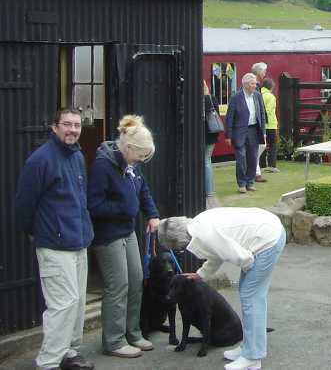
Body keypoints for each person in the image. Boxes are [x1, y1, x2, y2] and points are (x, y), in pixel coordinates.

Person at [14, 108, 95, 370]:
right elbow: (24, 206)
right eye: (67, 124)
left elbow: (80, 199)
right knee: (63, 304)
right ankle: (48, 362)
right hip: (54, 244)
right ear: (54, 127)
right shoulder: (40, 160)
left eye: (77, 125)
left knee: (78, 303)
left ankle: (69, 353)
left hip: (79, 241)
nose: (72, 130)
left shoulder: (77, 156)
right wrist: (39, 232)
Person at [157, 208, 286, 370]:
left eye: (176, 246)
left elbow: (243, 258)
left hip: (268, 240)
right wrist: (200, 274)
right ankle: (248, 348)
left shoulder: (206, 234)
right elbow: (217, 253)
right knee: (249, 295)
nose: (180, 248)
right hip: (268, 229)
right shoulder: (198, 225)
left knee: (251, 298)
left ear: (178, 240)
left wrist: (249, 275)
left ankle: (253, 357)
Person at [87, 115, 160, 358]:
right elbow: (93, 204)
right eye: (140, 155)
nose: (141, 160)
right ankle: (114, 340)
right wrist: (123, 209)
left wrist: (152, 214)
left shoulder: (132, 165)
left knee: (136, 280)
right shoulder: (102, 166)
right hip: (108, 235)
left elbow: (143, 189)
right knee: (117, 285)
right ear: (128, 147)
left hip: (127, 231)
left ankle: (133, 332)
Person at [225, 73, 267, 194]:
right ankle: (242, 184)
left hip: (254, 130)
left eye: (255, 83)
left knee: (253, 158)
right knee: (241, 158)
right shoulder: (235, 98)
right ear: (246, 85)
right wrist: (228, 135)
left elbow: (262, 114)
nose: (255, 85)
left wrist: (263, 131)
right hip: (239, 132)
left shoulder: (257, 96)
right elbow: (229, 117)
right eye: (253, 84)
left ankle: (250, 182)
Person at [250, 62, 269, 184]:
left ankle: (255, 171)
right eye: (264, 71)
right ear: (258, 72)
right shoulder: (254, 86)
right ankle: (255, 172)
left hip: (258, 121)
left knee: (260, 146)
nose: (265, 74)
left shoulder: (257, 86)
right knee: (259, 146)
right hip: (255, 123)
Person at [204, 81, 220, 204]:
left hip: (201, 136)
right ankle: (209, 191)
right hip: (211, 135)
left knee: (203, 161)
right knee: (207, 161)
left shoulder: (194, 99)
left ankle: (205, 190)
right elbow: (217, 116)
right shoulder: (212, 98)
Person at [260, 77, 279, 173]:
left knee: (262, 145)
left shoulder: (259, 94)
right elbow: (269, 111)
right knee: (272, 145)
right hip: (270, 124)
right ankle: (272, 166)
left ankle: (262, 166)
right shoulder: (271, 96)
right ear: (271, 87)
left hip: (261, 125)